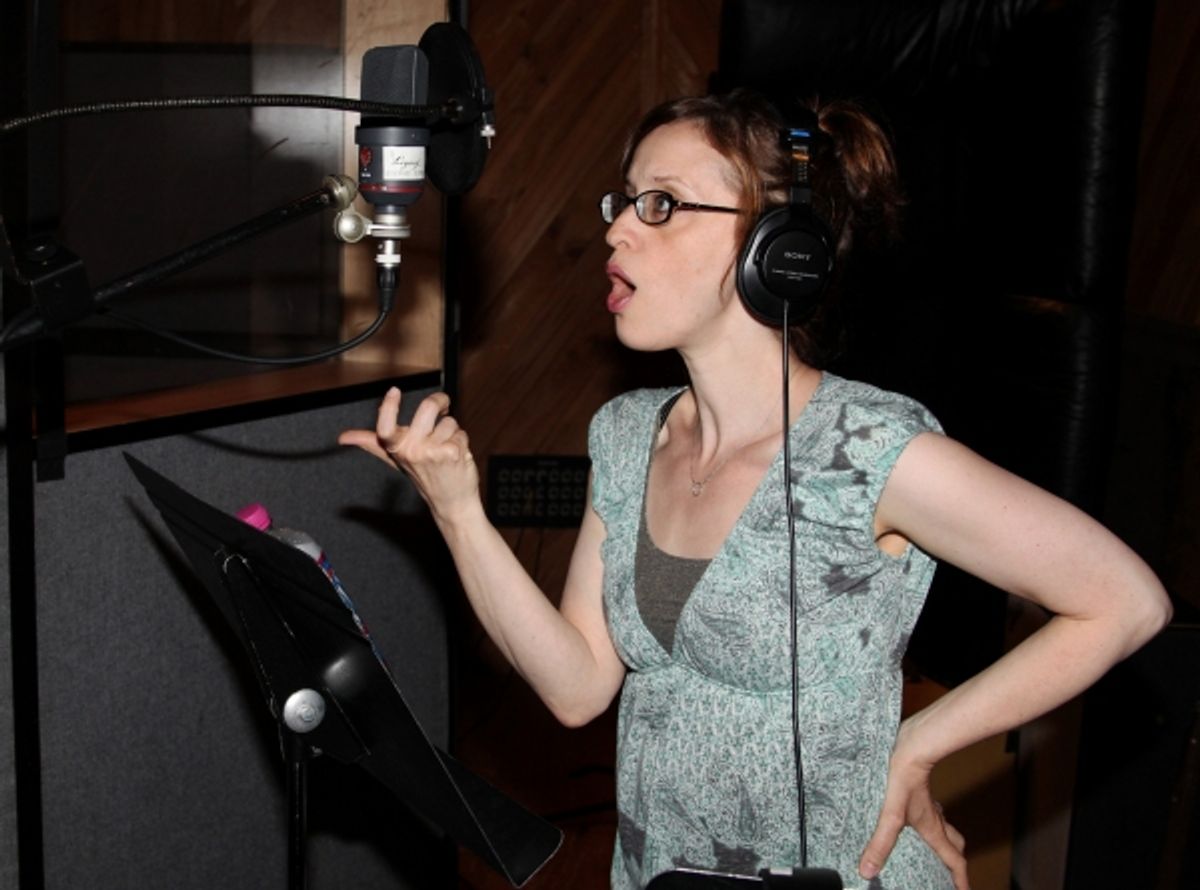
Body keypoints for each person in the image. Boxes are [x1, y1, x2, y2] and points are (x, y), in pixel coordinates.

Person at [339, 90, 1172, 890]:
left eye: (661, 204)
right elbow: (576, 687)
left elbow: (1124, 601)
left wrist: (919, 743)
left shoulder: (872, 451)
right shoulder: (629, 434)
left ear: (780, 245)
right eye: (624, 202)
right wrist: (456, 508)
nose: (619, 231)